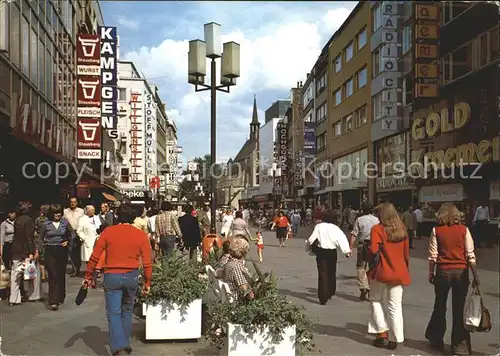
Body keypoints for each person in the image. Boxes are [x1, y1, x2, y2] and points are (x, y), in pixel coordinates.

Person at [83, 203, 152, 356]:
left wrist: (88, 276)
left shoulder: (108, 232)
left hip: (112, 276)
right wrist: (147, 282)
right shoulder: (140, 235)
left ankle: (118, 346)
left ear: (117, 216)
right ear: (134, 217)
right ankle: (124, 342)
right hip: (131, 276)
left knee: (113, 313)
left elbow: (95, 256)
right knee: (127, 310)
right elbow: (147, 262)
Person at [425, 203, 477, 355]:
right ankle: (459, 346)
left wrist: (430, 273)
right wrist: (476, 275)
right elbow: (470, 254)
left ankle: (436, 338)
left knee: (440, 305)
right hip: (461, 272)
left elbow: (433, 255)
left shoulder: (436, 230)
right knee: (458, 308)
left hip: (443, 272)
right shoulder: (464, 230)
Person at [367, 203, 411, 351]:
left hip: (381, 271)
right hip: (399, 271)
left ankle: (382, 331)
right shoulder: (402, 229)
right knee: (395, 305)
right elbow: (406, 254)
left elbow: (373, 250)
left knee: (375, 300)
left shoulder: (377, 229)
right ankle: (395, 338)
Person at [306, 210, 351, 305]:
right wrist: (346, 251)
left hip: (321, 252)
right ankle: (330, 291)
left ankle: (323, 297)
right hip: (332, 252)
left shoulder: (319, 226)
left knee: (323, 274)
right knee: (331, 271)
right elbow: (342, 239)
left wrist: (308, 248)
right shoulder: (336, 228)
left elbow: (311, 239)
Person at [37, 204, 69, 311]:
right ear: (52, 213)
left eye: (59, 212)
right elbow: (40, 238)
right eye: (55, 212)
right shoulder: (46, 224)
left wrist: (67, 241)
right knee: (53, 274)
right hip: (50, 250)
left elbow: (72, 235)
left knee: (60, 274)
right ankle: (53, 301)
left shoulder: (65, 222)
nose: (58, 215)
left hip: (61, 250)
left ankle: (60, 296)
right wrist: (40, 250)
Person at [9, 201, 41, 306]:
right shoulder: (28, 220)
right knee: (32, 273)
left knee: (15, 274)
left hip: (16, 249)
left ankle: (13, 298)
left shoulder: (17, 220)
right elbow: (29, 237)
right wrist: (32, 252)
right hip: (26, 250)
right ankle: (33, 295)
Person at [349, 202, 379, 301]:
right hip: (375, 245)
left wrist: (350, 247)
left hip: (363, 245)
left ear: (362, 210)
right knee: (373, 267)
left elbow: (354, 234)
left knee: (361, 267)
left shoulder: (359, 220)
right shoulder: (377, 220)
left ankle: (363, 287)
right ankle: (372, 290)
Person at [64, 197, 85, 277]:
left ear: (77, 203)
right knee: (71, 251)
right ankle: (74, 269)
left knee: (78, 252)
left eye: (74, 202)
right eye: (71, 202)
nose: (72, 203)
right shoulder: (65, 211)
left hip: (79, 232)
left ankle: (78, 268)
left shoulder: (81, 211)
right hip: (69, 233)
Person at [77, 205, 100, 271]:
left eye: (94, 210)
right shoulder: (82, 219)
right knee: (89, 259)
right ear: (87, 211)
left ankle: (95, 271)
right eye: (91, 210)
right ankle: (90, 272)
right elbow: (79, 231)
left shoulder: (97, 217)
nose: (93, 211)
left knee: (97, 257)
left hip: (97, 240)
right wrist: (84, 238)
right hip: (88, 240)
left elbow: (100, 227)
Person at [34, 205, 50, 281]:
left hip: (40, 240)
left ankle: (43, 275)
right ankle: (47, 274)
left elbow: (35, 230)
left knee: (41, 260)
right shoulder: (49, 220)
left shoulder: (38, 219)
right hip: (48, 240)